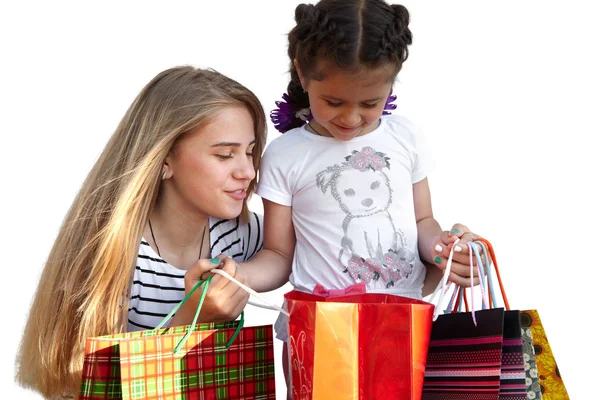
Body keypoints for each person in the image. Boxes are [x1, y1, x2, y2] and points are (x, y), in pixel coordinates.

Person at [195, 0, 483, 394]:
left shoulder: (406, 138)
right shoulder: (286, 155)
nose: (350, 118)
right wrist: (240, 275)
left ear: (392, 84)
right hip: (321, 329)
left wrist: (442, 251)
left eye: (370, 103)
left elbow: (422, 222)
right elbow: (280, 256)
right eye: (334, 102)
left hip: (405, 321)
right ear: (302, 72)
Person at [15, 66, 267, 399]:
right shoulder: (111, 255)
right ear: (163, 160)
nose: (248, 171)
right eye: (224, 155)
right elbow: (91, 388)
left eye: (250, 152)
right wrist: (193, 317)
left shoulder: (238, 233)